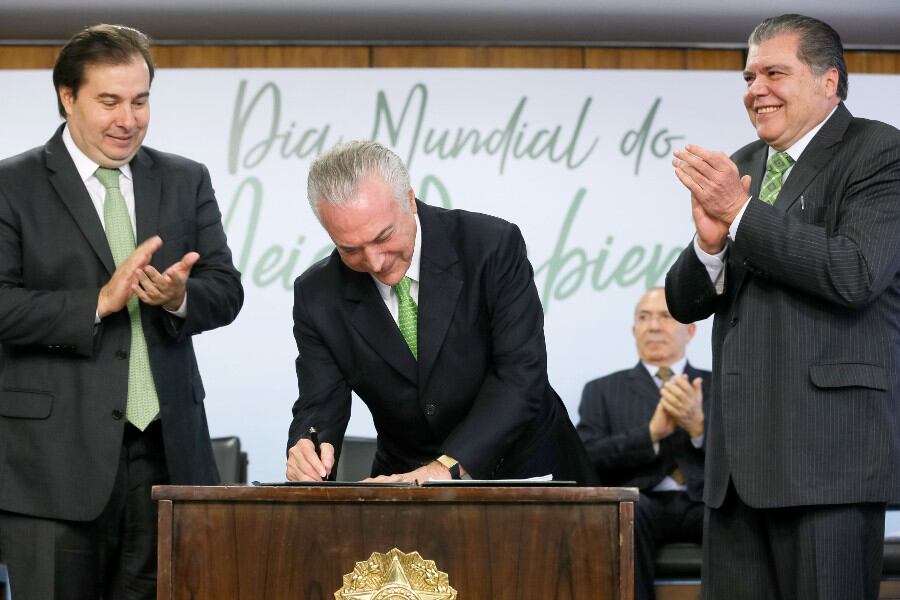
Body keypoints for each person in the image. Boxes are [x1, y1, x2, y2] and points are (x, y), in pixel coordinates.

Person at [0, 24, 243, 599]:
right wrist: (97, 302)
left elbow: (225, 289)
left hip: (168, 457)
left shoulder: (185, 180)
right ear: (67, 97)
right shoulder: (12, 186)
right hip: (49, 470)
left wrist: (179, 297)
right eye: (109, 101)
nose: (127, 119)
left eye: (140, 101)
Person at [666, 13, 900, 600]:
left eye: (774, 72)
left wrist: (741, 216)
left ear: (829, 81)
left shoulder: (879, 151)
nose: (755, 90)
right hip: (736, 474)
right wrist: (709, 246)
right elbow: (683, 303)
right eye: (748, 76)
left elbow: (854, 273)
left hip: (828, 465)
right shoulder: (741, 165)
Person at [285, 140, 595, 485]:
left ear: (410, 200)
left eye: (383, 237)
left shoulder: (490, 246)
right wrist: (309, 447)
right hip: (404, 478)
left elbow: (520, 377)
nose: (374, 262)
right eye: (350, 249)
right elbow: (320, 402)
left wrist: (443, 469)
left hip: (524, 468)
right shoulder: (317, 294)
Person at [577, 287, 708, 600]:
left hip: (703, 500)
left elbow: (745, 460)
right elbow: (588, 456)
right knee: (627, 515)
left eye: (665, 316)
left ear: (690, 330)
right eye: (644, 317)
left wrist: (698, 428)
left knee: (732, 516)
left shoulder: (718, 386)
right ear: (633, 330)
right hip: (640, 500)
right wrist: (649, 435)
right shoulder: (602, 390)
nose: (653, 326)